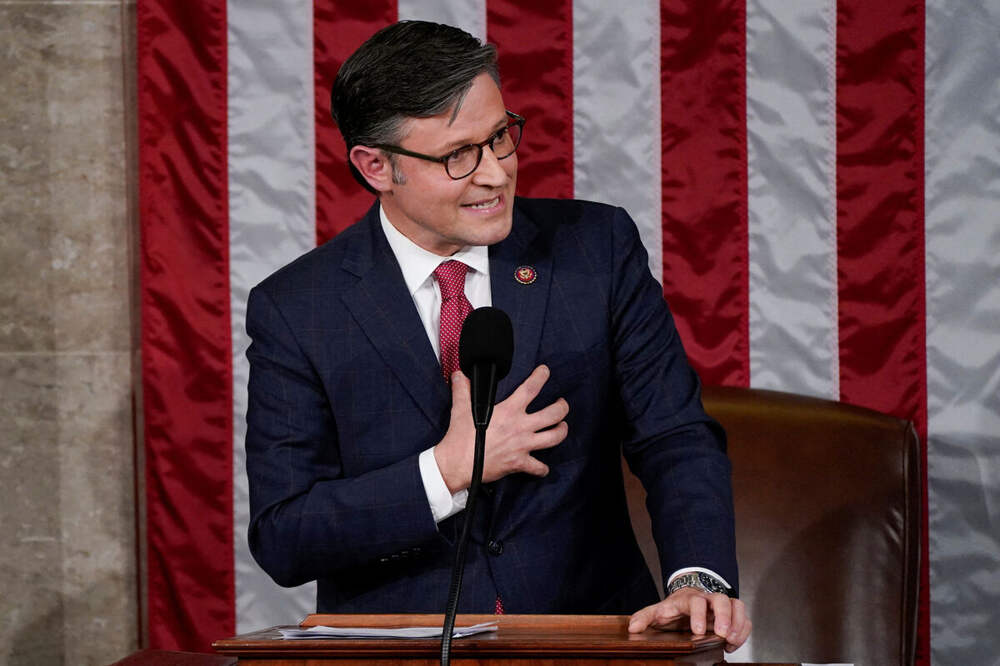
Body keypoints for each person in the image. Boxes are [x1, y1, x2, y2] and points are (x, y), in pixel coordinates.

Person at [245, 20, 750, 652]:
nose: (494, 174)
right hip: (403, 652)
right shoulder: (298, 308)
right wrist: (447, 471)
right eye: (458, 156)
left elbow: (674, 435)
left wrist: (698, 577)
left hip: (586, 641)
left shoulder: (595, 251)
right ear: (377, 166)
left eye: (500, 138)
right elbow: (284, 535)